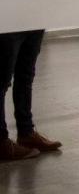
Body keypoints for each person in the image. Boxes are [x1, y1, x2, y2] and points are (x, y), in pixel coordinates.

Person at [0, 29, 62, 161]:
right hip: (8, 21)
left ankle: (26, 133)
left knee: (26, 75)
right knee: (2, 80)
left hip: (32, 19)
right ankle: (1, 142)